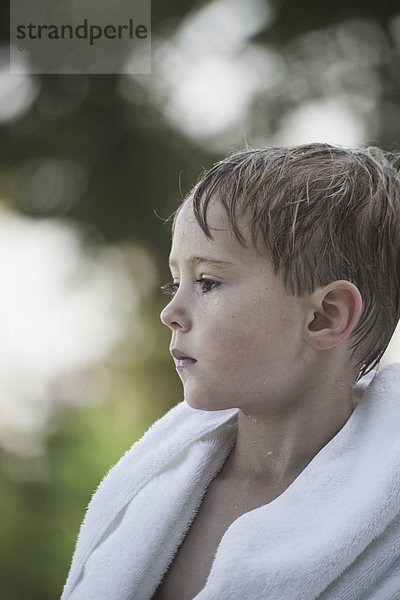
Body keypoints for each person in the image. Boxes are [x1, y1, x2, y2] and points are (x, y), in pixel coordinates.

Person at [61, 143, 400, 600]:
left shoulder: (384, 536)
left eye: (208, 282)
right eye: (174, 281)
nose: (171, 312)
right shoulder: (156, 492)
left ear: (325, 317)